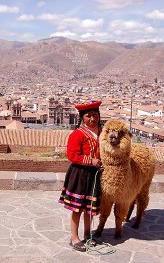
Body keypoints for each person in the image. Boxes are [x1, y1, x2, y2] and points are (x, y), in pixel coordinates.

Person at [58, 100, 102, 252]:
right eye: (88, 116)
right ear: (82, 117)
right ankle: (74, 238)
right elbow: (72, 155)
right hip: (80, 174)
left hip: (95, 175)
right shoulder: (77, 134)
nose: (92, 119)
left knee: (90, 208)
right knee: (77, 208)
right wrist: (91, 160)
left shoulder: (102, 132)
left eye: (95, 115)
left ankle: (87, 235)